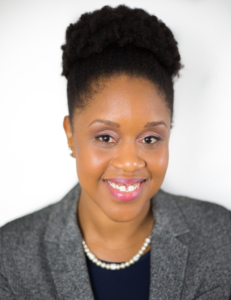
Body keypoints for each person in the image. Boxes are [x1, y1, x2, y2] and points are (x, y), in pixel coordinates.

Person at [0, 4, 230, 300]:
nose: (130, 162)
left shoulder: (221, 238)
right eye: (105, 136)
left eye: (150, 138)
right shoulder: (9, 257)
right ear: (71, 135)